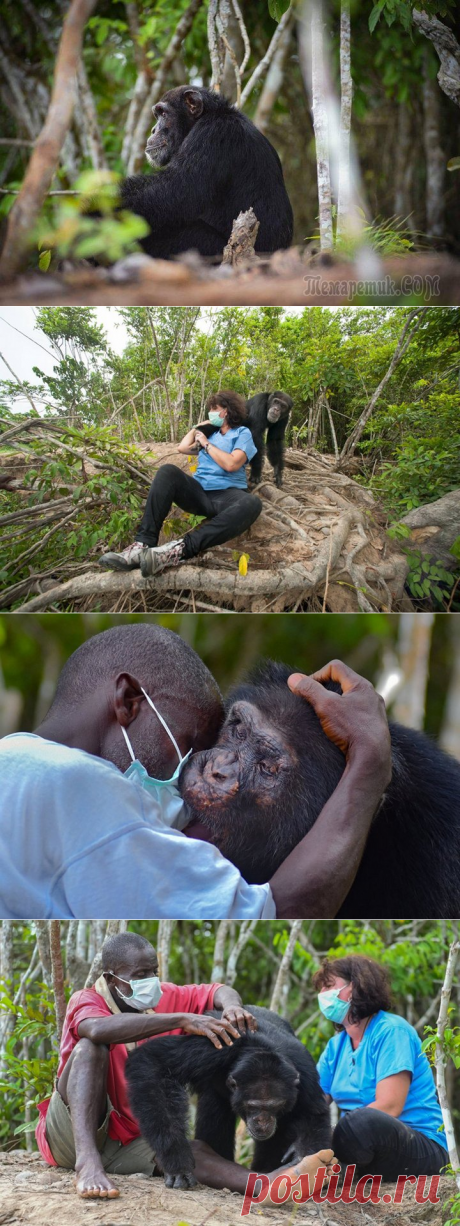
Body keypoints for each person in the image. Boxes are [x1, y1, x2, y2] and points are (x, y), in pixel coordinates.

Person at [0, 623, 392, 920]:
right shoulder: (86, 790)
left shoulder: (14, 759)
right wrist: (370, 762)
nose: (208, 767)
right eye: (233, 733)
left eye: (267, 764)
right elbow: (276, 913)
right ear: (129, 701)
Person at [36, 931, 335, 1200]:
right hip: (72, 1133)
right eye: (140, 973)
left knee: (194, 1153)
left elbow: (219, 990)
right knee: (90, 1049)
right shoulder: (86, 999)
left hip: (127, 1139)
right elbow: (97, 1030)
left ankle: (266, 1184)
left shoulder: (167, 995)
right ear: (112, 978)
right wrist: (180, 1019)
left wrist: (231, 1007)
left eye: (153, 971)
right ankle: (87, 1163)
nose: (150, 980)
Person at [314, 954, 448, 1180]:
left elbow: (390, 1106)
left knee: (360, 1122)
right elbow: (314, 1103)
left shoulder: (392, 1031)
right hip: (363, 1147)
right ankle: (329, 1173)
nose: (322, 996)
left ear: (355, 988)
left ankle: (334, 1171)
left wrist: (333, 1135)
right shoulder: (335, 1046)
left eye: (328, 986)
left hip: (420, 1145)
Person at [98, 391, 262, 576]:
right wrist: (198, 428)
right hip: (199, 493)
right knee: (167, 471)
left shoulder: (242, 433)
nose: (211, 413)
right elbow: (182, 448)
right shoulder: (210, 434)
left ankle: (176, 551)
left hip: (228, 495)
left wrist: (206, 444)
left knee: (252, 503)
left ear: (226, 410)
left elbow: (232, 463)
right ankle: (141, 546)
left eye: (214, 409)